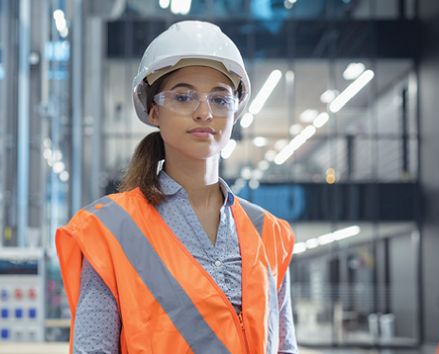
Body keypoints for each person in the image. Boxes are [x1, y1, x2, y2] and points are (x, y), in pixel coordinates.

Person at [56, 20, 298, 354]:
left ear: (235, 111)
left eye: (220, 98)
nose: (204, 113)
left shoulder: (270, 234)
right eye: (184, 97)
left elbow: (284, 347)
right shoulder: (110, 231)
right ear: (154, 111)